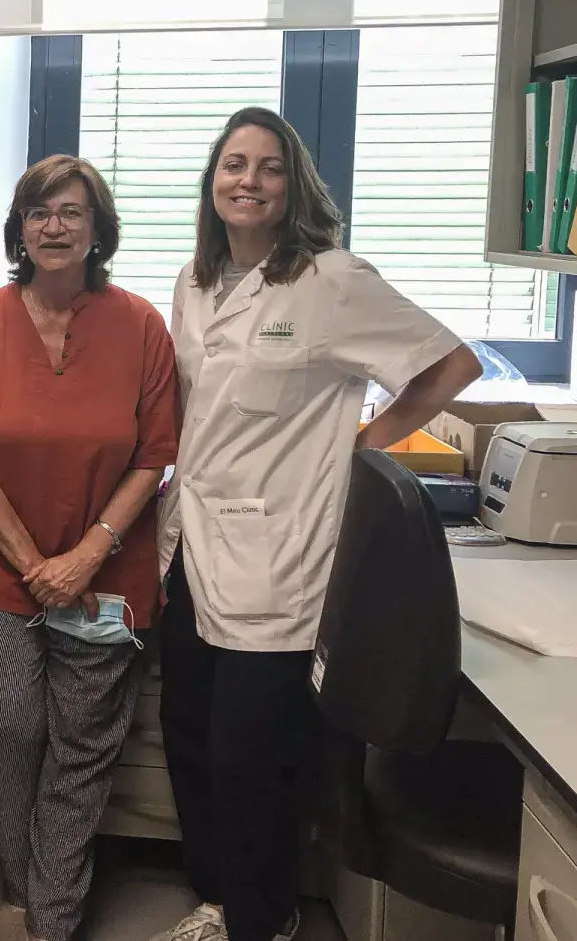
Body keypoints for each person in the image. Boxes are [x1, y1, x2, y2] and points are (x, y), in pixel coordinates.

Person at [150, 107, 482, 941]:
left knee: (247, 759)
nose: (248, 181)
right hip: (191, 543)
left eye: (267, 167)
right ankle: (218, 902)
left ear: (293, 184)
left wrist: (367, 439)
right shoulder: (196, 282)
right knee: (186, 732)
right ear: (212, 182)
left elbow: (452, 363)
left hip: (280, 556)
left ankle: (264, 921)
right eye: (233, 164)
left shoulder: (330, 281)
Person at [0, 155, 179, 941]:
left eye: (73, 212)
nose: (56, 226)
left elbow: (154, 455)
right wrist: (35, 564)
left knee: (81, 745)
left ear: (99, 229)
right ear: (21, 228)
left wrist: (87, 555)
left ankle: (48, 914)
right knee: (10, 726)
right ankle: (21, 884)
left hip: (108, 577)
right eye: (40, 212)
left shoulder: (140, 324)